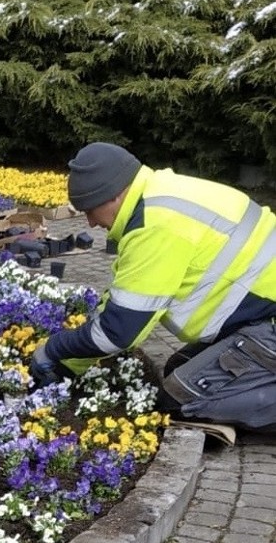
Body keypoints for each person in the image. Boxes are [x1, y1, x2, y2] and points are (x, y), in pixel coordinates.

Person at [31, 141, 276, 430]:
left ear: (111, 196)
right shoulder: (158, 196)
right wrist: (71, 365)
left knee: (181, 402)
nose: (92, 223)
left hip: (267, 324)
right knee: (178, 369)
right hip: (258, 318)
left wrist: (52, 350)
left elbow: (118, 332)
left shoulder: (155, 225)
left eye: (90, 210)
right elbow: (122, 305)